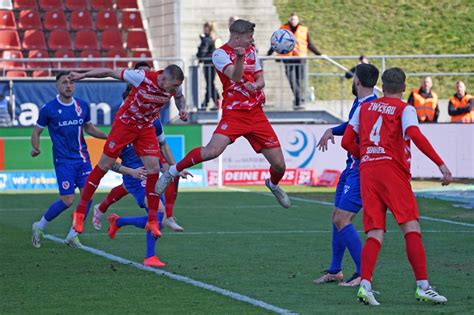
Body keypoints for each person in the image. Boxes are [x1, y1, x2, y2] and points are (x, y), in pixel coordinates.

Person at [341, 67, 452, 305]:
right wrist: (440, 164)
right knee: (411, 227)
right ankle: (423, 286)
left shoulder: (364, 107)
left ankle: (365, 285)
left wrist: (366, 154)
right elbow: (414, 133)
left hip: (368, 172)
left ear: (383, 85)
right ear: (403, 87)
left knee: (375, 232)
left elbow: (347, 141)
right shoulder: (405, 108)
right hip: (393, 171)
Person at [155, 19, 290, 209]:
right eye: (249, 37)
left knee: (279, 166)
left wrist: (255, 85)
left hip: (256, 113)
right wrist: (240, 58)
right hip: (234, 113)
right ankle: (172, 171)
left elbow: (261, 80)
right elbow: (234, 76)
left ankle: (273, 184)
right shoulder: (219, 54)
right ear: (237, 37)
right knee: (212, 151)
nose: (251, 41)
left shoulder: (252, 51)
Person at [68, 64, 188, 238]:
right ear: (163, 78)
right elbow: (109, 72)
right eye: (174, 85)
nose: (175, 89)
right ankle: (79, 214)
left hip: (146, 127)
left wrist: (181, 108)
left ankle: (153, 220)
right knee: (104, 165)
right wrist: (82, 75)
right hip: (125, 125)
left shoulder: (174, 86)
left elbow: (180, 97)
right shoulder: (142, 77)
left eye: (177, 86)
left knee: (153, 168)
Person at [30, 72, 143, 248]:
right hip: (63, 161)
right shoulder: (48, 109)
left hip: (83, 160)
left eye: (71, 82)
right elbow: (37, 131)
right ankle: (40, 225)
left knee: (87, 196)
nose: (68, 85)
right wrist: (35, 147)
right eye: (64, 82)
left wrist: (109, 137)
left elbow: (89, 128)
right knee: (67, 200)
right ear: (57, 86)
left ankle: (73, 235)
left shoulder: (82, 106)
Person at [314, 63, 379, 286]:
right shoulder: (360, 102)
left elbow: (361, 139)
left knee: (342, 218)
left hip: (361, 170)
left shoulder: (371, 106)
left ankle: (363, 273)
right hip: (351, 167)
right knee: (336, 217)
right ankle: (335, 270)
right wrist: (332, 129)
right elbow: (351, 125)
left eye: (353, 78)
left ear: (357, 81)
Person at [267, 13, 322, 109]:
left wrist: (319, 54)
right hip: (288, 59)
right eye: (291, 19)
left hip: (300, 59)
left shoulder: (303, 30)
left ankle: (299, 99)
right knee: (292, 80)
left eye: (295, 19)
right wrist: (268, 54)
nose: (293, 21)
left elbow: (310, 44)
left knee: (299, 80)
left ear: (298, 20)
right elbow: (275, 42)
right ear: (289, 20)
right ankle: (298, 99)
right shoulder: (283, 29)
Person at [197, 21, 221, 110]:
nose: (204, 29)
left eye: (205, 27)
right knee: (210, 84)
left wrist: (200, 56)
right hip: (210, 64)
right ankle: (209, 103)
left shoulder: (208, 39)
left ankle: (212, 102)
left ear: (209, 28)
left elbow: (203, 51)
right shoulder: (212, 38)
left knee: (210, 84)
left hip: (209, 64)